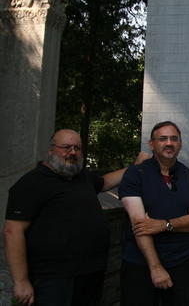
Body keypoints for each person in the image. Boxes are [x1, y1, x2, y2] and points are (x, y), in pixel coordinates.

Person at [4, 129, 139, 306]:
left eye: (77, 148)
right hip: (52, 279)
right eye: (66, 147)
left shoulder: (81, 176)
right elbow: (12, 231)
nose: (73, 152)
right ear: (51, 150)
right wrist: (21, 281)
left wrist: (136, 167)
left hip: (90, 275)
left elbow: (105, 181)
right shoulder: (32, 183)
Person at [119, 121, 189, 306]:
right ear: (152, 144)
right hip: (140, 264)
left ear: (180, 143)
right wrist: (155, 267)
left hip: (180, 263)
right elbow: (140, 225)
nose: (169, 143)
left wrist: (163, 225)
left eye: (174, 139)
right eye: (163, 139)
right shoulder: (135, 174)